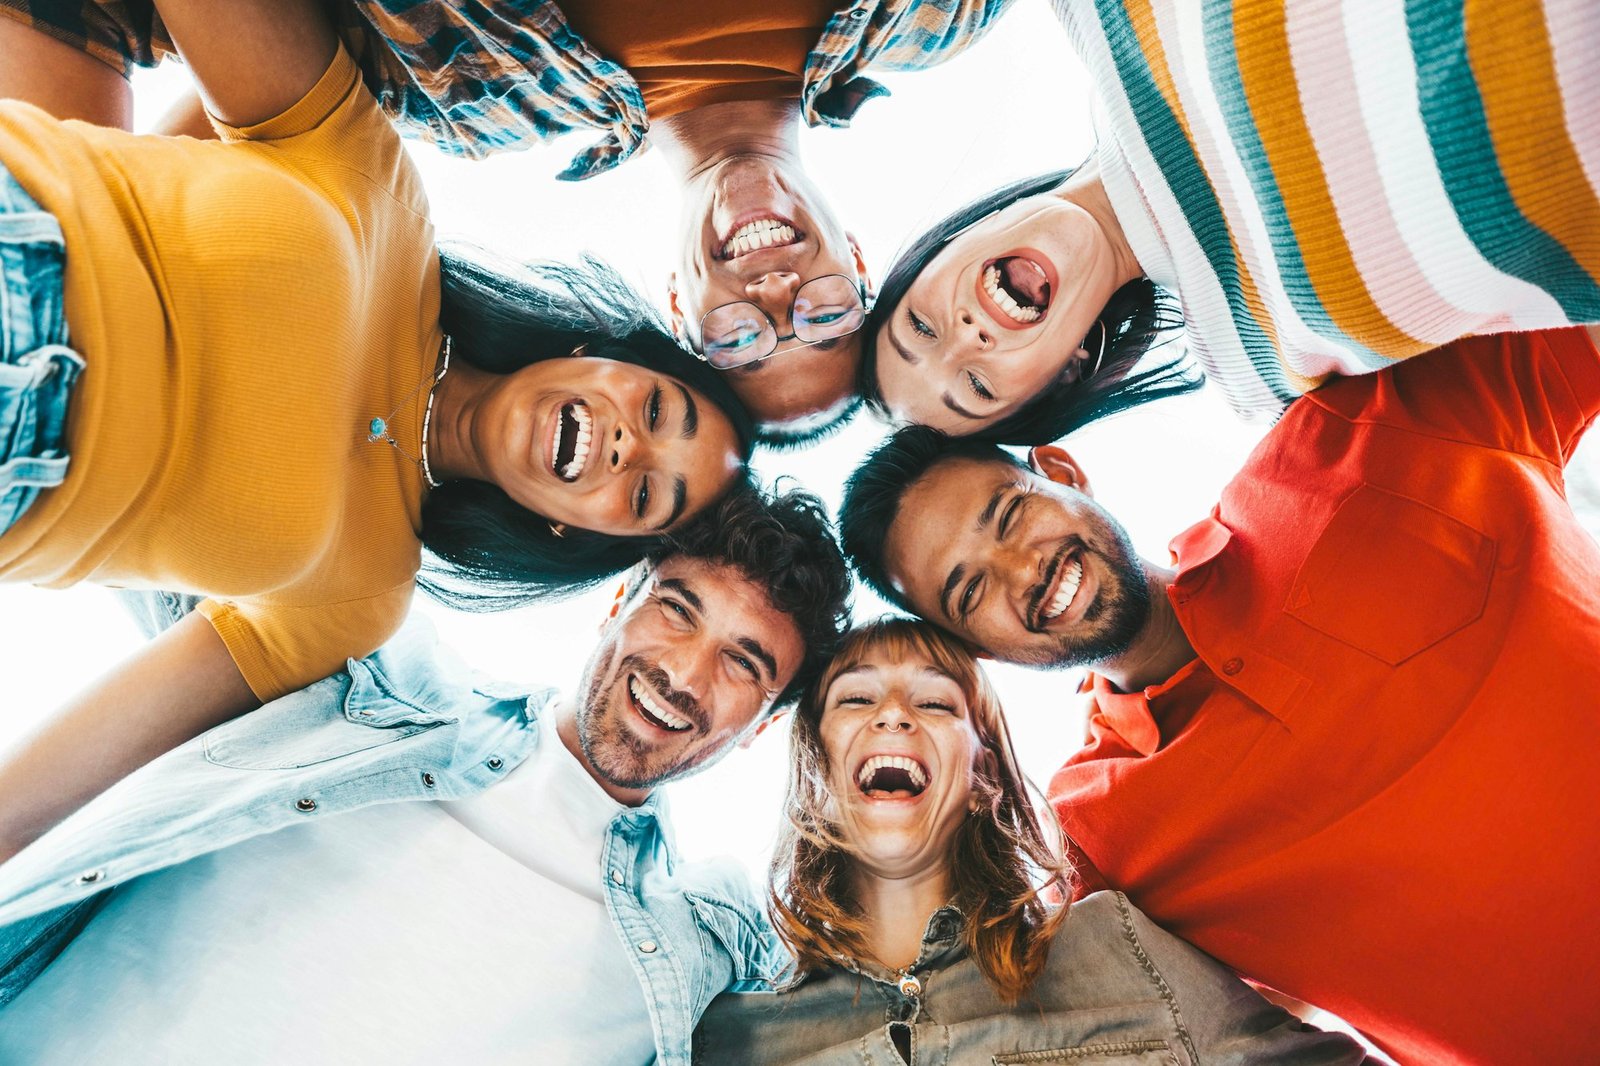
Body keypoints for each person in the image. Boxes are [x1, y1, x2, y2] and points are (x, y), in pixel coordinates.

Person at [0, 0, 765, 862]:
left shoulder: (357, 602)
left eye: (647, 495)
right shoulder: (384, 194)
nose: (631, 448)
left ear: (576, 532)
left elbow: (77, 762)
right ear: (604, 352)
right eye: (660, 409)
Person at [837, 326, 1600, 1063]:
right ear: (977, 650)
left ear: (1064, 473)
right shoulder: (1103, 843)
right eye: (970, 592)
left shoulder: (1352, 441)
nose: (1021, 572)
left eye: (1009, 515)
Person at [0, 483, 853, 1064]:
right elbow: (148, 515)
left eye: (743, 664)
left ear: (761, 728)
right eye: (677, 610)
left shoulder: (710, 941)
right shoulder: (376, 677)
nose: (686, 674)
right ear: (615, 605)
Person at [0, 0, 1019, 440]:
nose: (777, 297)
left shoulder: (464, 102)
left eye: (742, 339)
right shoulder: (940, 15)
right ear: (861, 256)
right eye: (828, 316)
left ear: (677, 302)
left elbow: (216, 99)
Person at [859, 0, 1600, 442]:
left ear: (943, 248)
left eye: (921, 327)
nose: (967, 337)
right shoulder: (1270, 370)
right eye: (979, 386)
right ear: (1067, 372)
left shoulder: (1094, 15)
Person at [694, 617, 1366, 1064]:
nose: (894, 714)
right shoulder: (725, 1036)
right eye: (855, 700)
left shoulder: (1121, 947)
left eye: (935, 703)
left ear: (981, 764)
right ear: (816, 758)